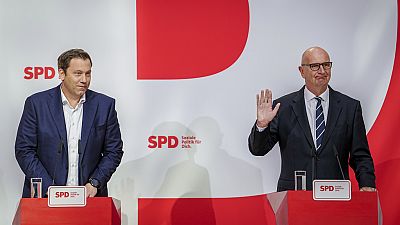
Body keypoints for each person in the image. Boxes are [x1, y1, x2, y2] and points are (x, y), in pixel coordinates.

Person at [248, 46, 376, 191]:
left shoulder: (350, 107)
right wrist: (262, 124)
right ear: (302, 71)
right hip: (294, 196)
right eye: (315, 66)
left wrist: (367, 184)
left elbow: (360, 155)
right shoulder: (282, 108)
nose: (322, 71)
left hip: (336, 196)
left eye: (326, 65)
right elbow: (258, 150)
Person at [15, 48, 124, 197]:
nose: (84, 80)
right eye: (78, 73)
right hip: (44, 198)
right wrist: (50, 189)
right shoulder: (36, 104)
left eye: (88, 73)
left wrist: (95, 183)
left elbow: (114, 151)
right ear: (61, 74)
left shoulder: (105, 105)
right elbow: (24, 150)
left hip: (90, 199)